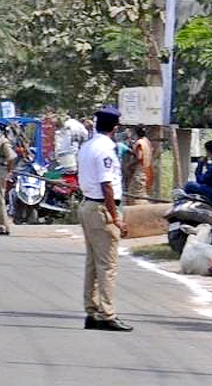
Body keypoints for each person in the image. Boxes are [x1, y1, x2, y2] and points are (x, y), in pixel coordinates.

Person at [77, 106, 132, 332]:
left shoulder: (87, 146)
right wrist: (115, 217)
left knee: (93, 262)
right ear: (115, 127)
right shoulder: (107, 150)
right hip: (101, 208)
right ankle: (107, 313)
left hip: (87, 205)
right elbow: (107, 186)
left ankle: (91, 311)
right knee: (107, 265)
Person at [185, 140, 212, 207]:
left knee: (190, 185)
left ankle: (188, 206)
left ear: (208, 151)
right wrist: (208, 165)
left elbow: (200, 180)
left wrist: (200, 165)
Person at [127, 127, 153, 205]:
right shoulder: (146, 141)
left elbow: (139, 157)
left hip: (140, 170)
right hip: (147, 169)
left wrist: (130, 165)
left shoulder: (139, 143)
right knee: (142, 192)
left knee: (135, 193)